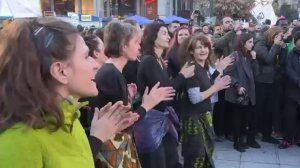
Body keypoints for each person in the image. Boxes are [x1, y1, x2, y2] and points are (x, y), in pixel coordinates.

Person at [0, 17, 140, 168]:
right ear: (61, 71)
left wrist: (97, 135)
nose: (95, 64)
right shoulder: (19, 143)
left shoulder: (69, 118)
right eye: (87, 56)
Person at [90, 21, 176, 168]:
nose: (139, 46)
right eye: (136, 42)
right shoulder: (111, 74)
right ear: (123, 46)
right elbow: (123, 123)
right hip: (113, 150)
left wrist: (130, 97)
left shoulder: (113, 72)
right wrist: (147, 105)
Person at [135, 23, 195, 168]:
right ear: (153, 37)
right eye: (164, 33)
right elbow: (165, 92)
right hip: (151, 121)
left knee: (171, 159)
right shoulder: (149, 60)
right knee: (159, 162)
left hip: (161, 118)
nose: (168, 36)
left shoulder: (159, 60)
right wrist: (182, 75)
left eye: (168, 33)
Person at [178, 35, 231, 168]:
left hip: (203, 116)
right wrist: (216, 87)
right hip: (193, 120)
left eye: (205, 46)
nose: (203, 50)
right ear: (191, 51)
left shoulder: (203, 67)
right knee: (197, 156)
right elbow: (195, 98)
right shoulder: (192, 69)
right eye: (198, 47)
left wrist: (219, 70)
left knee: (207, 152)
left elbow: (207, 86)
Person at [224, 33, 261, 152]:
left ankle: (244, 140)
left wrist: (254, 59)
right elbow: (227, 73)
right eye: (250, 42)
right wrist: (237, 86)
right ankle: (236, 142)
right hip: (239, 92)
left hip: (250, 92)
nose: (252, 44)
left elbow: (256, 74)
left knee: (246, 118)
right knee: (238, 119)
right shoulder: (234, 56)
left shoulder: (249, 56)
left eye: (252, 42)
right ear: (242, 43)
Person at [254, 26, 287, 144]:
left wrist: (283, 49)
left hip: (272, 81)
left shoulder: (276, 45)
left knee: (269, 110)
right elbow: (268, 58)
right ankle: (252, 135)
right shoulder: (260, 44)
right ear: (273, 35)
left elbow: (282, 62)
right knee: (258, 109)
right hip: (261, 80)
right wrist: (276, 45)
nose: (280, 38)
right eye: (279, 36)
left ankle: (266, 135)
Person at [278, 31, 300, 149]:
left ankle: (298, 138)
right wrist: (298, 81)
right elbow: (288, 69)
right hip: (292, 91)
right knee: (290, 116)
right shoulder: (291, 54)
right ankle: (287, 140)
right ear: (295, 41)